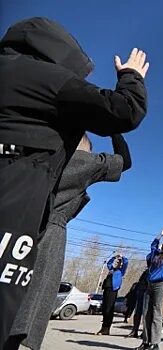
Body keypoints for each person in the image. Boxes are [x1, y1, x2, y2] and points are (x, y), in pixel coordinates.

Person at [0, 17, 149, 346]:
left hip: (24, 212)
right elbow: (124, 120)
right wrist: (130, 80)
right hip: (34, 227)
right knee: (23, 314)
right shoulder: (85, 163)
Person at [8, 133, 133, 349]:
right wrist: (115, 131)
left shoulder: (35, 153)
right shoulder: (81, 161)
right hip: (50, 237)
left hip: (16, 225)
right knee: (29, 312)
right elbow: (125, 162)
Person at [135, 226, 163, 350]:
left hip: (161, 284)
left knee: (156, 313)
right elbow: (153, 244)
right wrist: (160, 235)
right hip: (150, 284)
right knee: (146, 312)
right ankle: (146, 341)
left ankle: (155, 342)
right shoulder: (155, 255)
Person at [97, 253, 129, 335]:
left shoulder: (121, 271)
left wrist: (122, 257)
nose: (116, 264)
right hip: (106, 289)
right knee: (105, 309)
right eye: (116, 262)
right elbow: (109, 263)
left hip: (113, 290)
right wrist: (114, 257)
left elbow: (126, 262)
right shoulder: (111, 270)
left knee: (109, 309)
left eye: (118, 263)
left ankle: (106, 328)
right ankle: (103, 328)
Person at [127, 268, 149, 338]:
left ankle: (145, 332)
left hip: (149, 291)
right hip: (141, 290)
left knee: (147, 314)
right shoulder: (146, 271)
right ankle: (134, 330)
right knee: (137, 313)